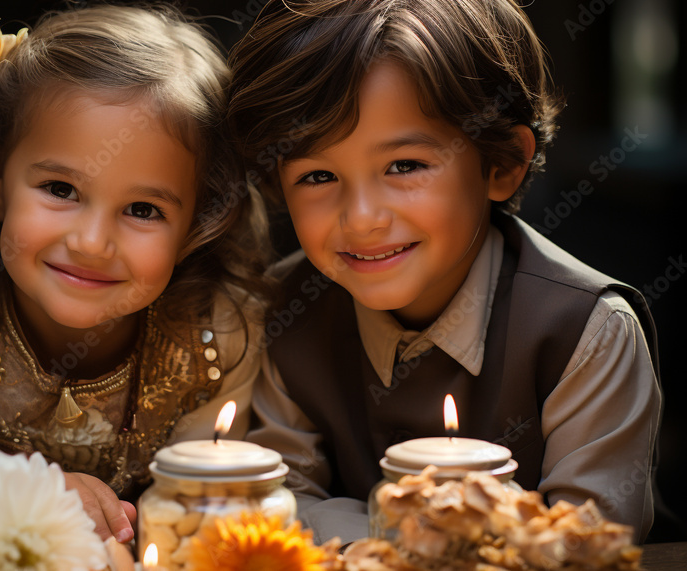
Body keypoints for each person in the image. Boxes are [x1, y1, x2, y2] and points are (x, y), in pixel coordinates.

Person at [0, 4, 269, 545]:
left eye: (144, 210)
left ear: (197, 224)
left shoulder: (215, 339)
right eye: (61, 190)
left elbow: (204, 520)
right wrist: (18, 500)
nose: (90, 242)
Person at [226, 0, 661, 545]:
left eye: (404, 166)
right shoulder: (280, 312)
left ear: (501, 165)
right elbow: (277, 500)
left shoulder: (585, 332)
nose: (361, 219)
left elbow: (589, 540)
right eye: (317, 175)